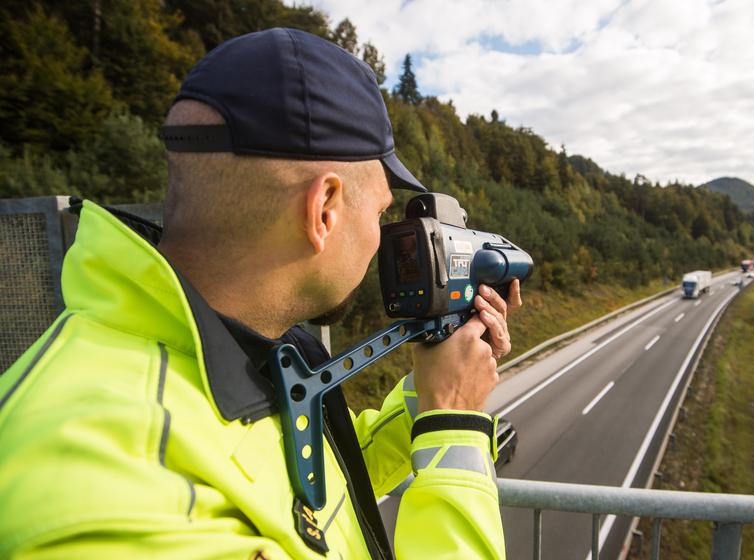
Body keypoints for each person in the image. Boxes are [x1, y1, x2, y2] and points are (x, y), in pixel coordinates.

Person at [0, 28, 520, 559]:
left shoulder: (241, 353)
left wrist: (429, 397)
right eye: (381, 212)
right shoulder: (110, 499)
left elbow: (306, 492)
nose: (379, 237)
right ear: (324, 210)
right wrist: (453, 428)